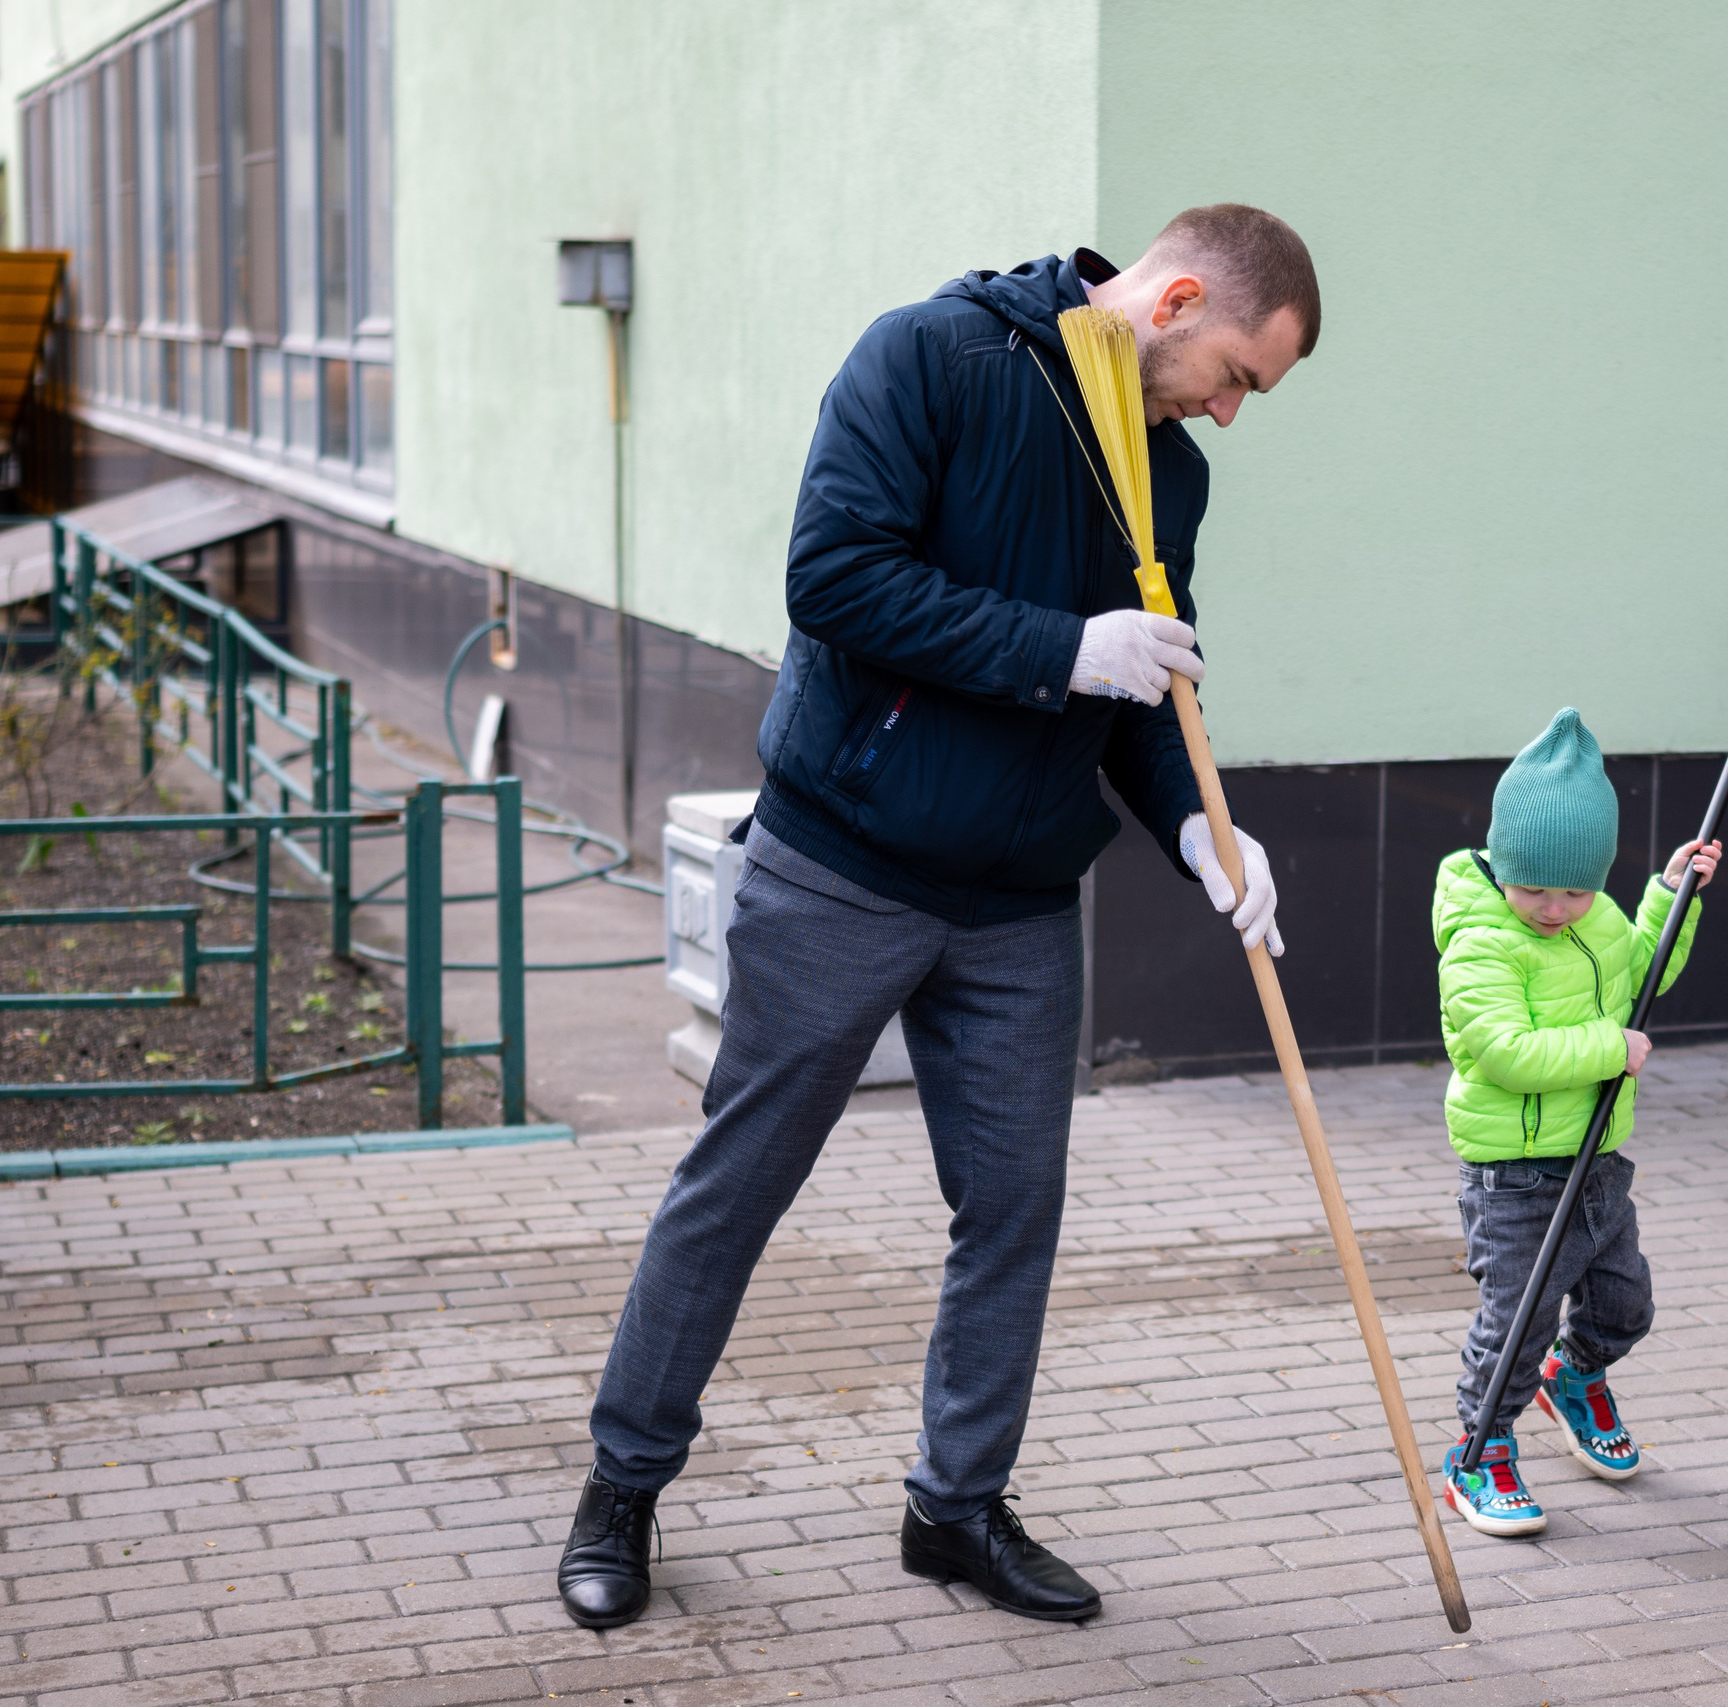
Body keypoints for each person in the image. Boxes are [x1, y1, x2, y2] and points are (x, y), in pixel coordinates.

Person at [556, 206, 1321, 1629]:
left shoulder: (1171, 473)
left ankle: (956, 1508)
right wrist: (1060, 648)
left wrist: (1200, 832)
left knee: (1013, 1213)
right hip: (843, 865)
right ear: (1177, 300)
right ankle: (622, 1483)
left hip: (1018, 907)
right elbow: (834, 579)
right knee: (736, 1189)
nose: (1230, 411)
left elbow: (1147, 690)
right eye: (1235, 375)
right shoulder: (932, 358)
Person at [1429, 707, 1720, 1536]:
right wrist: (1608, 1047)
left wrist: (1671, 896)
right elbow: (1503, 1051)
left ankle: (1577, 1374)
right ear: (1504, 866)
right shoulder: (1481, 940)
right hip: (1515, 1176)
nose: (1555, 909)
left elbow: (1642, 975)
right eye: (1536, 889)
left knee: (1626, 1302)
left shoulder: (1598, 918)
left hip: (1597, 1163)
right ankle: (1479, 1451)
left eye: (1575, 890)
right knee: (1517, 1322)